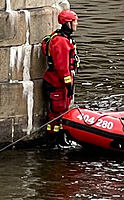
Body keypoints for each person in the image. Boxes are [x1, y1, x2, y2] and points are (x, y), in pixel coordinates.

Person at [41, 10, 80, 147]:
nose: (76, 24)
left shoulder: (60, 37)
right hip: (57, 83)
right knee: (57, 113)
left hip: (58, 82)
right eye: (74, 21)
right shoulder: (61, 42)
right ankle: (53, 141)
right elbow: (62, 67)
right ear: (67, 23)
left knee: (61, 111)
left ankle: (60, 139)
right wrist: (68, 84)